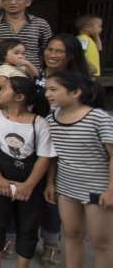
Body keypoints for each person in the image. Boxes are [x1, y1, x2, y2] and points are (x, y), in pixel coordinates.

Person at [0, 76, 54, 268]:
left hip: (30, 180)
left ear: (19, 97)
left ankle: (22, 265)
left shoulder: (39, 124)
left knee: (28, 224)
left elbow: (44, 157)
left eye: (3, 90)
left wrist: (29, 185)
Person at [45, 71, 113, 268]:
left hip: (97, 189)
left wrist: (110, 190)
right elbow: (53, 157)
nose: (48, 94)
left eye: (54, 89)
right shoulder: (51, 119)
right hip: (66, 188)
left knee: (102, 243)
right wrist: (51, 183)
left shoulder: (98, 117)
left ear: (75, 92)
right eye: (46, 89)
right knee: (71, 235)